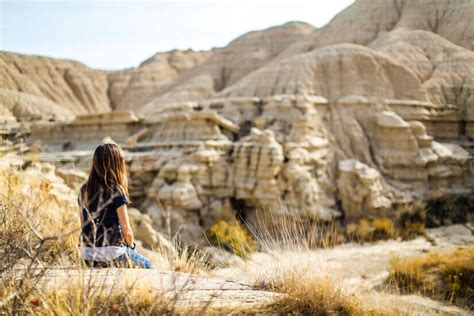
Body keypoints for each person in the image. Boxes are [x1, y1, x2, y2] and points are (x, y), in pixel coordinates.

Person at [78, 143, 151, 269]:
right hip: (111, 254)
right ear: (116, 164)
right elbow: (126, 231)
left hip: (86, 254)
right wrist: (131, 248)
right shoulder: (116, 190)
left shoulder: (84, 190)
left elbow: (84, 224)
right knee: (146, 264)